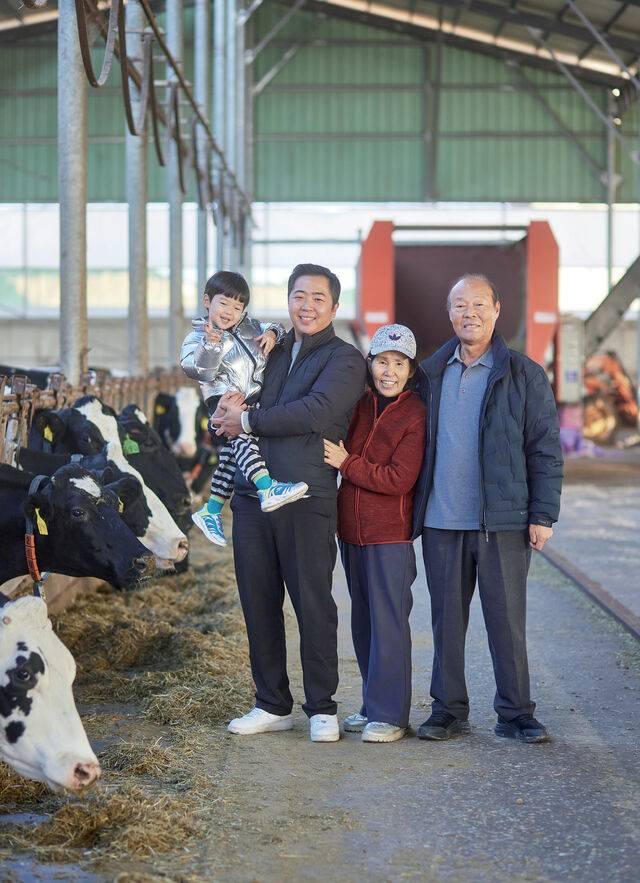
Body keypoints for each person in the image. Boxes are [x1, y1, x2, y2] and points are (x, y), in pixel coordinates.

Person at [212, 264, 366, 742]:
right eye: (299, 296)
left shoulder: (346, 360)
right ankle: (271, 704)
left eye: (318, 298)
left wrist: (248, 421)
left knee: (312, 602)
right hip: (252, 496)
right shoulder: (271, 351)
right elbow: (235, 389)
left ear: (334, 307)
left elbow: (315, 411)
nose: (307, 306)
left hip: (306, 495)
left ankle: (322, 707)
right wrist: (224, 411)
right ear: (288, 301)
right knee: (258, 602)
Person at [412, 274, 563, 744]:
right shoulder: (429, 375)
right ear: (449, 312)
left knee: (507, 622)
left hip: (503, 522)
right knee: (446, 623)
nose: (469, 313)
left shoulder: (523, 374)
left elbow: (544, 448)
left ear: (497, 310)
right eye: (460, 304)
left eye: (479, 304)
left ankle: (515, 713)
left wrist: (543, 514)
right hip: (442, 520)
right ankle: (447, 710)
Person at [324, 324, 426, 743]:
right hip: (352, 533)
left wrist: (347, 464)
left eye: (399, 364)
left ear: (411, 370)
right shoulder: (361, 405)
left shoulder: (414, 414)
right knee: (364, 623)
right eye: (382, 362)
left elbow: (400, 479)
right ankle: (372, 704)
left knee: (389, 625)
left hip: (390, 536)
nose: (389, 372)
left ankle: (391, 715)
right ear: (370, 364)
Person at [180, 271, 308, 547]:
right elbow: (200, 370)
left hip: (250, 398)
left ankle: (212, 509)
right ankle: (266, 487)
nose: (230, 312)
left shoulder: (250, 328)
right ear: (207, 301)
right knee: (242, 437)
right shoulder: (196, 338)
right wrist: (211, 344)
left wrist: (272, 333)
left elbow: (276, 326)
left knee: (231, 454)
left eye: (237, 307)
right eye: (224, 303)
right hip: (223, 399)